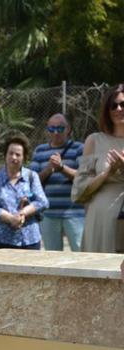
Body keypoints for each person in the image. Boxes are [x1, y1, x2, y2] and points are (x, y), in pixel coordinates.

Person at [73, 84, 124, 253]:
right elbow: (79, 189)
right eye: (113, 105)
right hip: (100, 221)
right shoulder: (94, 140)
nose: (118, 109)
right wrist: (106, 173)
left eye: (123, 105)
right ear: (107, 110)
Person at [28, 114, 84, 251]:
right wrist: (49, 170)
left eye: (60, 128)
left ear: (69, 129)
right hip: (48, 214)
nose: (56, 132)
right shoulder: (40, 150)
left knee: (81, 253)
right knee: (52, 257)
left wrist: (62, 168)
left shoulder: (79, 149)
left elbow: (84, 178)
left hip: (75, 213)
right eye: (52, 129)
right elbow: (31, 181)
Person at [0, 136, 48, 250]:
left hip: (28, 240)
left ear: (24, 157)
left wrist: (22, 214)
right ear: (5, 155)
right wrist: (10, 218)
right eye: (10, 153)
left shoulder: (31, 176)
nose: (13, 157)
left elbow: (43, 202)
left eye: (18, 154)